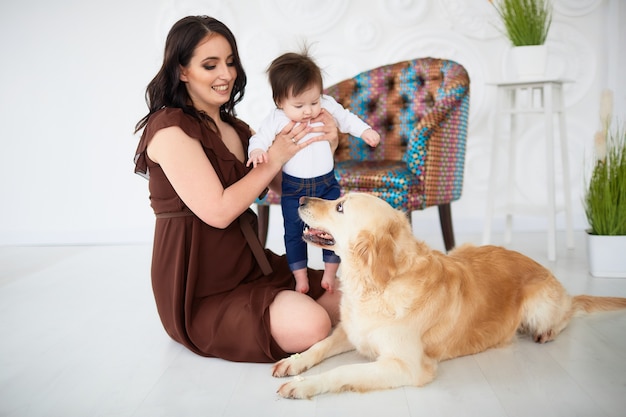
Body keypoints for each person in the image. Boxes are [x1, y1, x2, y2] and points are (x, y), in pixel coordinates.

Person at [133, 15, 341, 363]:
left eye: (230, 62)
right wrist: (275, 158)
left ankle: (294, 306)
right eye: (210, 64)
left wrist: (326, 147)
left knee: (354, 293)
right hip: (200, 287)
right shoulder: (169, 129)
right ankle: (293, 314)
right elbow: (219, 211)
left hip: (250, 266)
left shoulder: (238, 129)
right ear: (182, 70)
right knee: (312, 324)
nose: (226, 74)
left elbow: (287, 188)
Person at [247, 50, 380, 294]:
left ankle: (330, 273)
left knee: (334, 228)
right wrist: (256, 152)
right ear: (280, 102)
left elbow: (347, 119)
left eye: (314, 101)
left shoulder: (327, 107)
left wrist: (365, 131)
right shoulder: (276, 118)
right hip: (294, 188)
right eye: (299, 105)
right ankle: (301, 277)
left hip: (327, 184)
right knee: (294, 232)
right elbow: (259, 138)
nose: (308, 111)